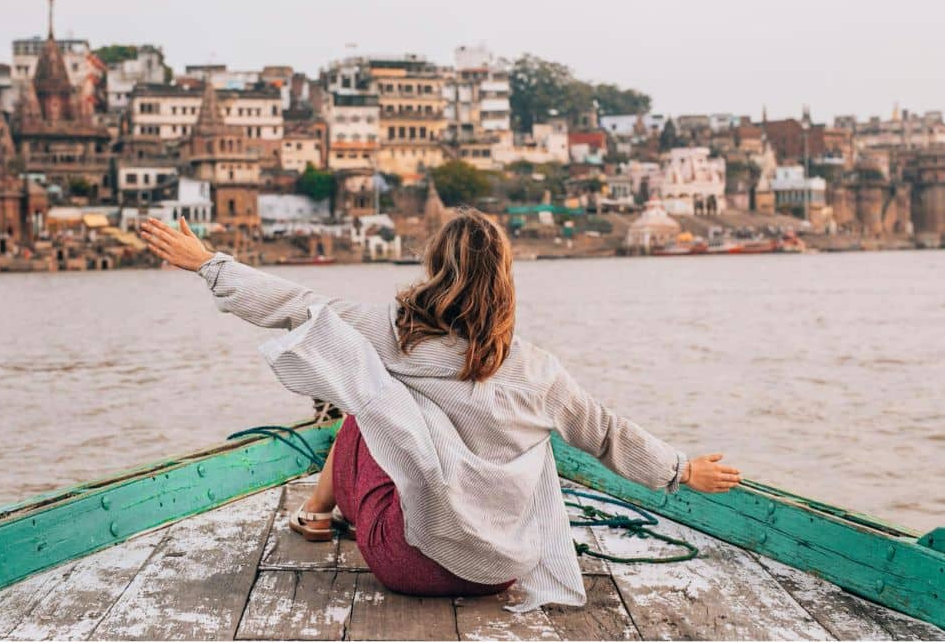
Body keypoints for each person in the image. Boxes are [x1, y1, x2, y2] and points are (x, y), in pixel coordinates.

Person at [139, 212, 741, 612]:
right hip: (498, 569)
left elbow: (294, 304)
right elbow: (605, 431)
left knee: (363, 406)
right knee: (499, 432)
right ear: (504, 280)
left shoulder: (390, 334)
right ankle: (341, 506)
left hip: (406, 563)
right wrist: (683, 470)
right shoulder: (539, 372)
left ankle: (316, 516)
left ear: (435, 269)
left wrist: (207, 263)